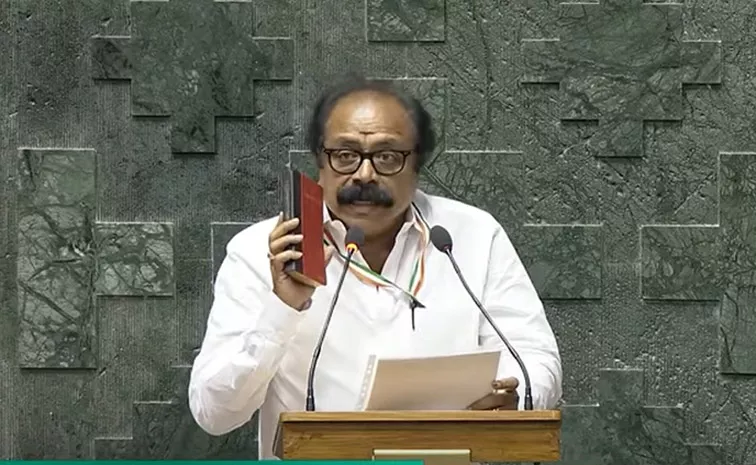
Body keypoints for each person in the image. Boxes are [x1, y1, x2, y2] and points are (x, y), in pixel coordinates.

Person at [188, 76, 562, 458]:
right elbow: (214, 413)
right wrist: (283, 309)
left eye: (386, 156)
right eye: (345, 154)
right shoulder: (261, 251)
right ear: (320, 159)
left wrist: (519, 397)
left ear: (417, 163)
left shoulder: (471, 235)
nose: (364, 174)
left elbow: (534, 357)